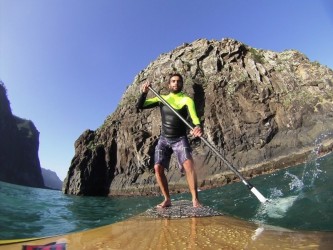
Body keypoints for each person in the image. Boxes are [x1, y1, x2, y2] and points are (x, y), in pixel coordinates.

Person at [136, 73, 203, 208]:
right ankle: (167, 199)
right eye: (173, 81)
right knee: (157, 167)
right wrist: (144, 93)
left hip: (180, 139)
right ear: (169, 84)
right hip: (164, 139)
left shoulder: (187, 100)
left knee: (189, 166)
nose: (176, 83)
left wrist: (198, 127)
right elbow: (140, 105)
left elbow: (194, 117)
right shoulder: (162, 99)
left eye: (178, 81)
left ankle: (195, 199)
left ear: (182, 84)